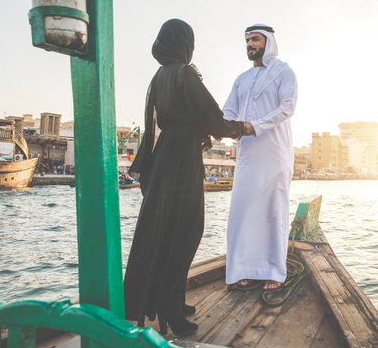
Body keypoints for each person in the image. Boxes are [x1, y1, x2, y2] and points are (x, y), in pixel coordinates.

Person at [123, 19, 243, 335]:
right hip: (182, 158)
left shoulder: (159, 76)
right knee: (188, 229)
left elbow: (163, 121)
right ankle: (169, 310)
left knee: (170, 231)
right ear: (183, 44)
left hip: (165, 157)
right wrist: (241, 128)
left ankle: (173, 299)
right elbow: (212, 117)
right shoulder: (185, 73)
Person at [223, 24, 297, 291]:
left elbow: (287, 108)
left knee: (272, 210)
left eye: (255, 39)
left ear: (268, 42)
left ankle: (274, 271)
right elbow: (228, 113)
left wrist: (255, 126)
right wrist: (214, 130)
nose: (250, 44)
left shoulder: (284, 72)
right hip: (247, 155)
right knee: (243, 211)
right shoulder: (241, 79)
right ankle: (241, 268)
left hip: (275, 152)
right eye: (247, 40)